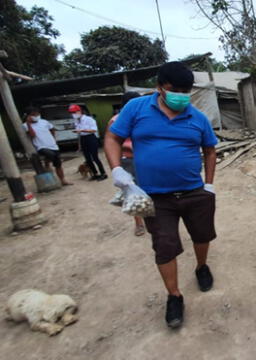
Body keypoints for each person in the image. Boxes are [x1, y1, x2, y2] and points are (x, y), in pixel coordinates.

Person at [104, 61, 218, 329]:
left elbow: (210, 150)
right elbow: (112, 137)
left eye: (185, 90)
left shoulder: (197, 118)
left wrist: (209, 184)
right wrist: (117, 169)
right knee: (164, 246)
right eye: (174, 89)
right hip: (154, 197)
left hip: (194, 192)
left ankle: (201, 266)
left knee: (202, 236)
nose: (181, 94)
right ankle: (174, 296)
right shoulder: (136, 108)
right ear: (159, 87)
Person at [107, 91, 145, 236]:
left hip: (147, 159)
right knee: (132, 190)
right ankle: (139, 223)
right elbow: (112, 144)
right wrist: (116, 167)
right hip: (129, 159)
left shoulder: (145, 117)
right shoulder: (116, 120)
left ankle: (153, 217)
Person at [22, 106, 72, 185]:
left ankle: (63, 180)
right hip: (41, 146)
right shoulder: (25, 125)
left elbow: (52, 129)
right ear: (28, 116)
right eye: (33, 115)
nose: (36, 116)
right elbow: (32, 135)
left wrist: (53, 139)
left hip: (52, 145)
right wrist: (28, 123)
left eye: (37, 114)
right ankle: (47, 163)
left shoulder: (44, 122)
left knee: (58, 164)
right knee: (50, 154)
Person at [69, 104, 107, 181]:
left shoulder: (89, 119)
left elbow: (94, 130)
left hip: (91, 138)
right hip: (83, 139)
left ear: (80, 111)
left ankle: (103, 173)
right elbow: (79, 133)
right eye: (72, 113)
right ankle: (95, 173)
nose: (73, 114)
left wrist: (82, 130)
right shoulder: (77, 121)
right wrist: (79, 144)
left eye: (74, 112)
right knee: (87, 158)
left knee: (95, 157)